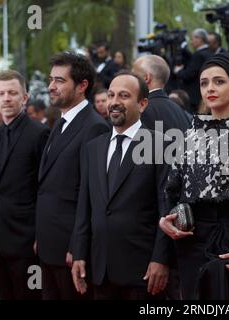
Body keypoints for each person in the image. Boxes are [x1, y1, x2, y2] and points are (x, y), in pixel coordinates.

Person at [159, 52, 229, 299]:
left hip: (228, 240)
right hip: (189, 240)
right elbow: (173, 187)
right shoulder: (190, 135)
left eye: (219, 81)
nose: (210, 88)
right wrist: (165, 220)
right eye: (204, 82)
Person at [71, 71, 171, 300]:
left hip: (143, 273)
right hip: (100, 271)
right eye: (111, 95)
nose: (115, 102)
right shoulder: (93, 148)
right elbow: (84, 207)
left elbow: (168, 208)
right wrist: (78, 252)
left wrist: (161, 259)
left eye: (124, 96)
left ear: (142, 104)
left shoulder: (160, 144)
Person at [35, 52, 110, 300]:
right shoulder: (59, 122)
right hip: (49, 245)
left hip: (70, 252)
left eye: (59, 80)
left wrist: (77, 248)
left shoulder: (95, 126)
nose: (51, 86)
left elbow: (91, 195)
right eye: (51, 79)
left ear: (82, 86)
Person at [0, 70, 49, 300]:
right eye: (1, 93)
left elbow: (46, 188)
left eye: (13, 93)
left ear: (25, 97)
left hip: (27, 240)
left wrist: (40, 236)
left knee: (30, 296)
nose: (6, 98)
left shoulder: (39, 133)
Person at [133, 54, 191, 133]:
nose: (130, 80)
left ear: (146, 78)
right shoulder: (182, 113)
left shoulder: (143, 110)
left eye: (134, 76)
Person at [174, 28, 213, 113]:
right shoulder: (210, 53)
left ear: (199, 39)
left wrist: (178, 71)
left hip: (194, 96)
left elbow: (189, 74)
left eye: (193, 39)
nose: (191, 42)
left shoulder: (199, 55)